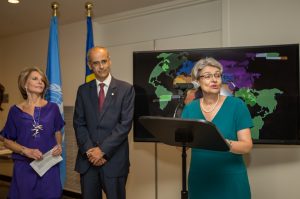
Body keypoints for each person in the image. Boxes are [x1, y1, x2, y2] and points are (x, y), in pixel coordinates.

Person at [181, 57, 253, 199]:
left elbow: (246, 146)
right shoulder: (190, 109)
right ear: (197, 81)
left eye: (217, 75)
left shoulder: (237, 105)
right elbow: (182, 147)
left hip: (231, 180)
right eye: (207, 76)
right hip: (200, 179)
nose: (214, 80)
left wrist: (222, 142)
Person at [73, 46, 135, 199]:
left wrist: (102, 150)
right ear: (90, 65)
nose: (101, 66)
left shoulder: (126, 89)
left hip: (114, 161)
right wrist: (90, 151)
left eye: (104, 61)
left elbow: (124, 125)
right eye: (96, 63)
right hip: (88, 163)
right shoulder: (83, 90)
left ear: (110, 61)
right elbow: (79, 123)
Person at [1, 67, 64, 199]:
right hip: (24, 167)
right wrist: (25, 151)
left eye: (42, 80)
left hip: (48, 166)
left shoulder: (53, 108)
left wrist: (58, 145)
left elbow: (57, 130)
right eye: (35, 79)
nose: (40, 82)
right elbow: (6, 140)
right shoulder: (15, 111)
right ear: (25, 84)